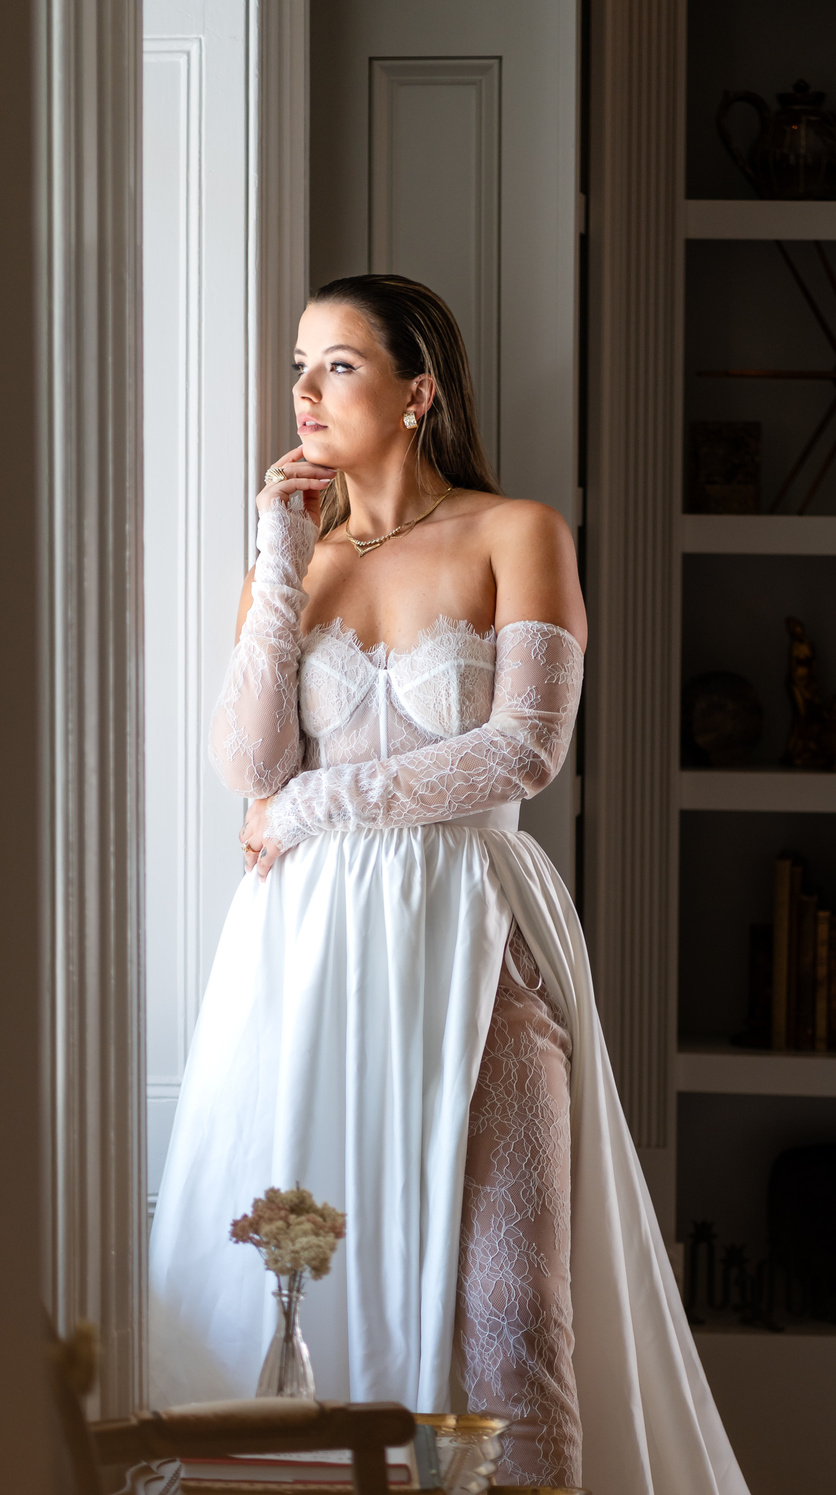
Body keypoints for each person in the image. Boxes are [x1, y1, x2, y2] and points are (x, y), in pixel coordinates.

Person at [149, 274, 750, 1495]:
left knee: (510, 1305)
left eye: (340, 366)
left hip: (471, 931)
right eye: (300, 367)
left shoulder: (513, 531)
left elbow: (524, 746)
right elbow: (244, 763)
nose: (307, 392)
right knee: (315, 1285)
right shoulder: (297, 563)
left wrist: (318, 803)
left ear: (415, 392)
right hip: (307, 951)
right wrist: (275, 552)